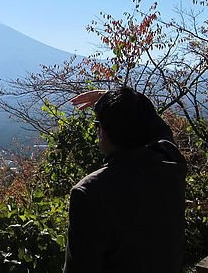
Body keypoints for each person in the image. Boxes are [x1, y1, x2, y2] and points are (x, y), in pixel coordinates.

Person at [63, 87, 186, 273]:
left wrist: (110, 98)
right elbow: (158, 128)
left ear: (103, 131)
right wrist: (117, 100)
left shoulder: (90, 192)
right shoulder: (171, 164)